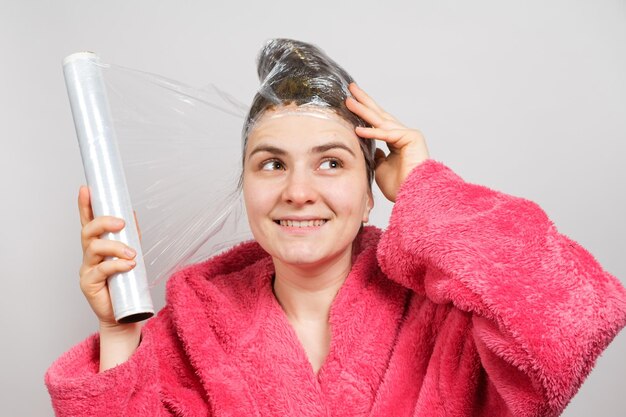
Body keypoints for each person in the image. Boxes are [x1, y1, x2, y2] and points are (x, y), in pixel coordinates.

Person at [46, 38, 626, 417]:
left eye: (331, 162)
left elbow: (572, 324)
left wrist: (427, 188)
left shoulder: (449, 315)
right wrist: (118, 331)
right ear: (244, 187)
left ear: (372, 192)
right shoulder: (195, 326)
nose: (299, 190)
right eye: (272, 163)